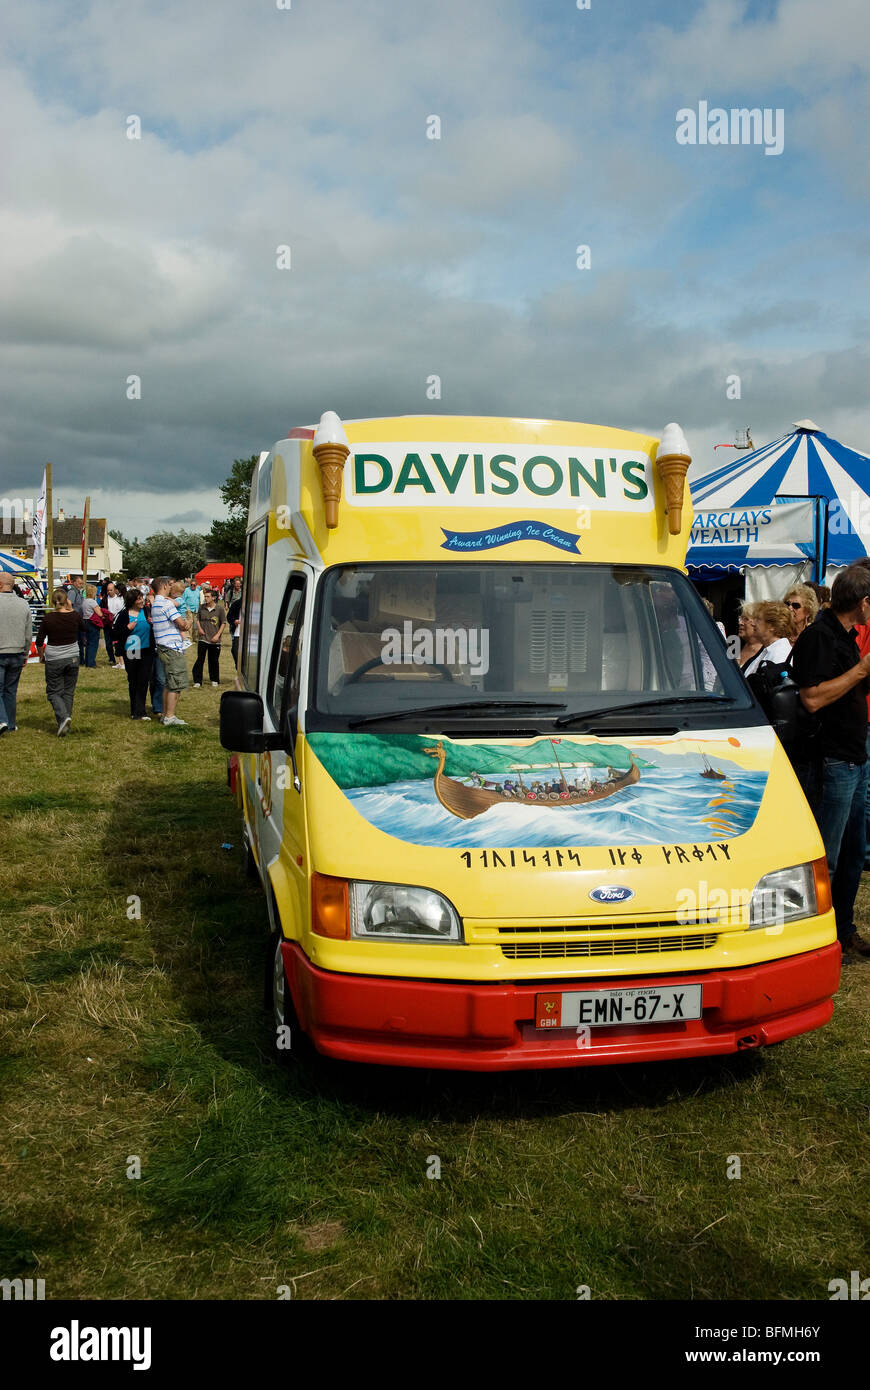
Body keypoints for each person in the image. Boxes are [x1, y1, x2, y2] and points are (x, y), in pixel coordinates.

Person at [790, 563, 870, 963]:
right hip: (832, 761)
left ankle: (842, 931)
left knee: (855, 851)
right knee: (828, 857)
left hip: (854, 758)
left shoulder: (846, 635)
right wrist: (860, 670)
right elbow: (813, 698)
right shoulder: (819, 637)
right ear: (863, 602)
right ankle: (813, 943)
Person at [35, 588, 84, 736]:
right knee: (68, 691)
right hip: (73, 656)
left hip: (55, 657)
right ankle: (64, 722)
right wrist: (71, 609)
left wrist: (41, 655)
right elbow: (84, 628)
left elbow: (39, 640)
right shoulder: (74, 616)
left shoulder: (48, 618)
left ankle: (63, 718)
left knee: (53, 691)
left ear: (52, 601)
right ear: (66, 600)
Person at [150, 576, 190, 726]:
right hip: (172, 647)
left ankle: (166, 714)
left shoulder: (156, 603)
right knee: (175, 683)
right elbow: (182, 625)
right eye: (170, 585)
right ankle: (170, 716)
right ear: (165, 586)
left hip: (162, 647)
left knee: (168, 682)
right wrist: (189, 622)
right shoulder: (166, 604)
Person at [113, 589, 154, 720]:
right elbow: (115, 634)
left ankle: (141, 711)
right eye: (138, 599)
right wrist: (127, 628)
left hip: (147, 649)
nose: (142, 601)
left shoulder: (146, 611)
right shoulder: (124, 614)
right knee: (134, 680)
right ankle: (134, 710)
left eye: (142, 598)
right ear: (132, 601)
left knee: (144, 680)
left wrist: (152, 623)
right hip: (132, 649)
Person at [0, 572, 33, 734]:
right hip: (18, 652)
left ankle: (2, 720)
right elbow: (28, 633)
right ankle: (10, 724)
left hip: (1, 651)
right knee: (10, 691)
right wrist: (26, 654)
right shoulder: (23, 604)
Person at [741, 602, 796, 677]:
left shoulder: (780, 654)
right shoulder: (767, 649)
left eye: (758, 620)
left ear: (772, 627)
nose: (753, 624)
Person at [192, 587, 226, 687]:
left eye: (207, 596)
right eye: (205, 596)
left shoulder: (219, 609)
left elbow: (223, 623)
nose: (205, 598)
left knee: (214, 660)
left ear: (214, 598)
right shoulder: (201, 607)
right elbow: (197, 619)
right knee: (200, 659)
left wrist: (218, 635)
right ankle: (198, 681)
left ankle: (214, 679)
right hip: (203, 638)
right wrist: (199, 629)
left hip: (215, 639)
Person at [81, 584, 104, 667]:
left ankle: (87, 661)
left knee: (88, 643)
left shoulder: (84, 601)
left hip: (85, 621)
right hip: (92, 623)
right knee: (93, 643)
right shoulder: (92, 602)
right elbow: (99, 613)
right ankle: (91, 663)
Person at [736, 601, 763, 670]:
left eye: (745, 619)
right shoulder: (735, 644)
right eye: (740, 618)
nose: (740, 623)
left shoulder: (765, 651)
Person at [68, 575, 86, 662]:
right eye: (79, 583)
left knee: (80, 640)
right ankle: (78, 659)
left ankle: (81, 659)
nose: (80, 585)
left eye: (81, 583)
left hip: (79, 619)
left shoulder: (78, 592)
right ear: (74, 582)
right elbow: (69, 605)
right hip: (75, 620)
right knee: (77, 640)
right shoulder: (72, 592)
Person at [227, 588, 242, 668]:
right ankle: (238, 667)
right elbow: (229, 617)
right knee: (235, 651)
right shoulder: (236, 604)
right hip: (237, 632)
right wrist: (234, 621)